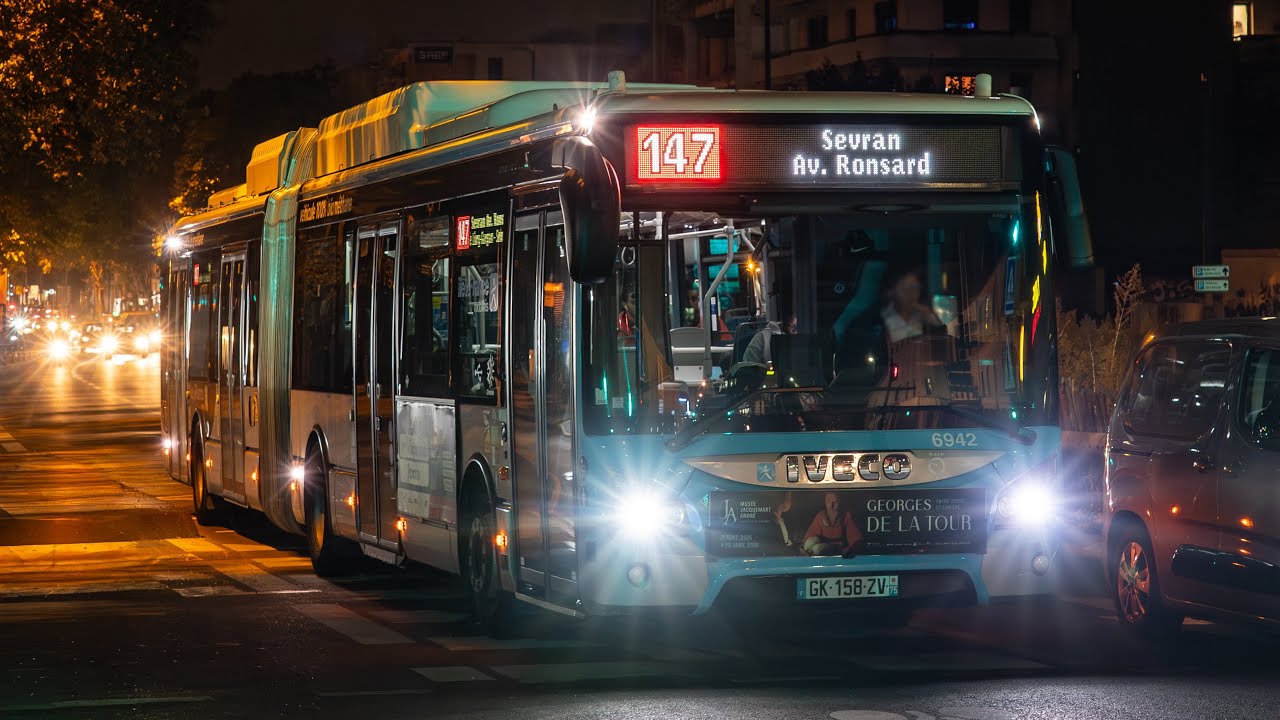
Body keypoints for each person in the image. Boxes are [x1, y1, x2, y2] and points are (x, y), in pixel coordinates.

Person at [880, 269, 943, 343]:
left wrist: (927, 313)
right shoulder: (882, 317)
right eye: (907, 288)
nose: (912, 293)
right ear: (894, 290)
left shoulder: (922, 314)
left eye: (916, 288)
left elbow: (942, 336)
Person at [801, 492, 863, 556]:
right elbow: (810, 535)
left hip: (838, 549)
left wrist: (849, 550)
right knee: (810, 543)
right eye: (828, 501)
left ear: (839, 502)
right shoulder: (820, 516)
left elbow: (855, 539)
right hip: (821, 548)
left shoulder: (845, 516)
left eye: (835, 502)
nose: (831, 505)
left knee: (817, 549)